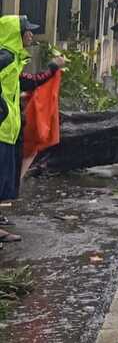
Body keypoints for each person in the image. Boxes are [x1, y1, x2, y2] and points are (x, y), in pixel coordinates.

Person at [0, 15, 65, 242]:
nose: (31, 34)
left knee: (6, 176)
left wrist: (51, 68)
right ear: (15, 34)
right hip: (2, 128)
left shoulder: (13, 58)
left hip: (8, 129)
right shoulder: (5, 58)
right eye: (26, 31)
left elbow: (27, 81)